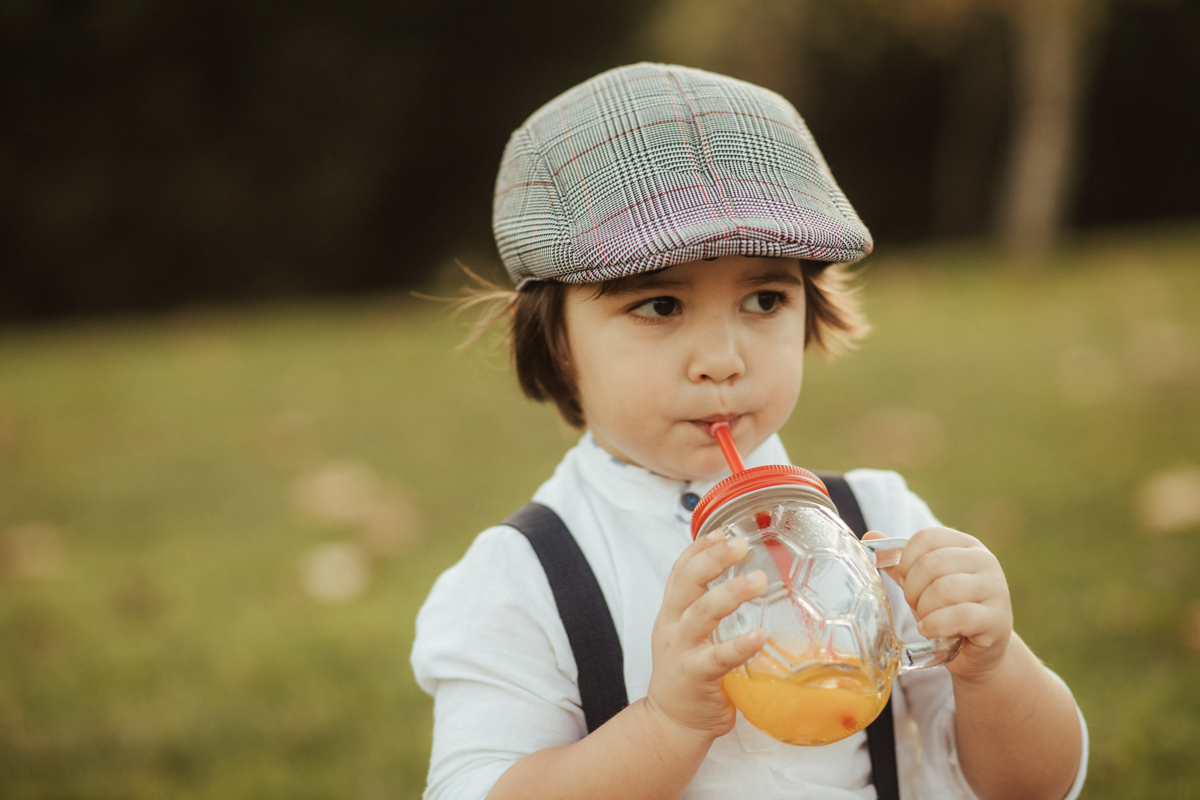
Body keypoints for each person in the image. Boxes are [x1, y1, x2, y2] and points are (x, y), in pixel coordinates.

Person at [411, 63, 1087, 800]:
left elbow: (1035, 787)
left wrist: (994, 668)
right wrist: (666, 725)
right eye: (660, 306)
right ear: (556, 338)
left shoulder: (877, 529)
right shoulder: (524, 579)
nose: (722, 361)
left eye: (764, 298)